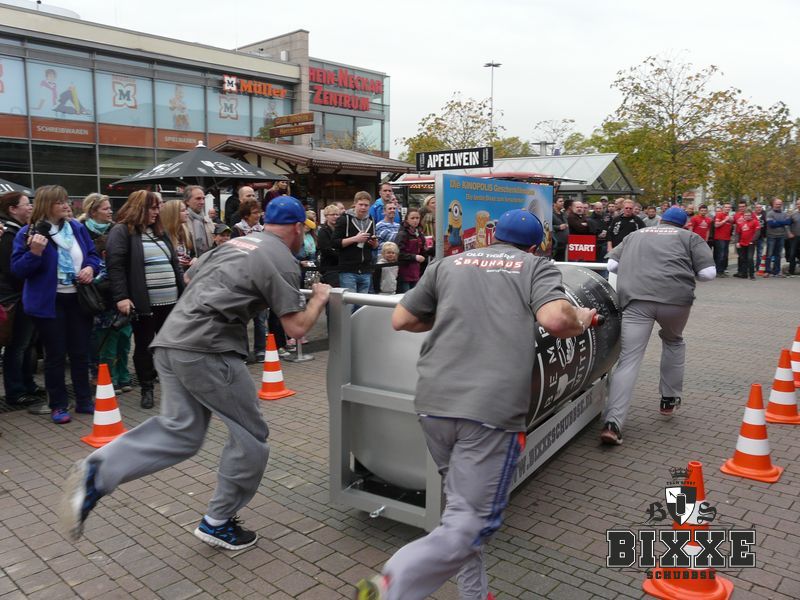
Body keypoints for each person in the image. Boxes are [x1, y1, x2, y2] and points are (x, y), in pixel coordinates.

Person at [59, 196, 331, 552]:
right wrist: (319, 299)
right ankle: (218, 521)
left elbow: (189, 276)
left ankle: (98, 471)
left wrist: (241, 292)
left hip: (171, 340)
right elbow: (296, 328)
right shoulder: (281, 258)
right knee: (251, 436)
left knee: (181, 431)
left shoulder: (234, 243)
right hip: (209, 348)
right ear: (297, 228)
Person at [356, 209, 595, 600]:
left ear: (492, 234)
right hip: (489, 411)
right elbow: (556, 319)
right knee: (471, 521)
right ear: (535, 246)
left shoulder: (448, 264)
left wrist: (455, 317)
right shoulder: (535, 266)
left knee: (460, 510)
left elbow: (401, 319)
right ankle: (394, 584)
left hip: (434, 403)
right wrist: (581, 318)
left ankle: (474, 593)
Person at [600, 208, 715, 445]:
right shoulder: (690, 237)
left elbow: (611, 265)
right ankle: (669, 399)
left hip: (636, 300)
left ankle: (613, 423)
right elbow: (708, 274)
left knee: (629, 359)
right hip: (675, 301)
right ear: (684, 224)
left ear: (661, 220)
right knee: (673, 341)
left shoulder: (635, 235)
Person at [11, 185, 101, 424]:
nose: (66, 205)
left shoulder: (76, 228)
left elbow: (93, 255)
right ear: (46, 205)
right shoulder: (29, 232)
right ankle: (58, 405)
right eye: (59, 202)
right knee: (55, 355)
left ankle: (84, 400)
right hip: (49, 302)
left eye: (66, 200)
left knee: (80, 353)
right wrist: (34, 252)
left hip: (78, 298)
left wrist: (90, 268)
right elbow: (18, 270)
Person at [106, 190, 184, 409]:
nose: (157, 212)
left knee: (170, 346)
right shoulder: (122, 231)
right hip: (144, 303)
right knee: (144, 345)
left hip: (171, 301)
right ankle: (147, 388)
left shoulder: (160, 231)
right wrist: (122, 297)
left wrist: (183, 290)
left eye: (158, 207)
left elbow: (174, 263)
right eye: (153, 207)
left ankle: (172, 386)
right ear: (140, 208)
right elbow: (115, 266)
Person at [0, 191, 41, 408]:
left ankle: (27, 385)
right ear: (12, 209)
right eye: (26, 204)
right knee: (17, 346)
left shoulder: (19, 231)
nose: (30, 207)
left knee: (26, 344)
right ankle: (16, 391)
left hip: (21, 296)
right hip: (15, 298)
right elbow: (12, 270)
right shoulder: (9, 234)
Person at [332, 191, 377, 294]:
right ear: (355, 204)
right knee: (350, 301)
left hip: (365, 269)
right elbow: (334, 243)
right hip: (348, 270)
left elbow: (374, 245)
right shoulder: (344, 219)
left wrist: (374, 244)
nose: (363, 208)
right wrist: (355, 239)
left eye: (366, 205)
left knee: (362, 302)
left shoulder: (371, 220)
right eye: (361, 204)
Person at [395, 208, 427, 293]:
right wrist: (414, 257)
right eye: (412, 218)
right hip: (404, 272)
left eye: (417, 218)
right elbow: (398, 253)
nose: (415, 220)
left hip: (416, 272)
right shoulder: (402, 234)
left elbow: (422, 251)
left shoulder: (419, 233)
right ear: (406, 219)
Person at [160, 199, 195, 273]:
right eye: (183, 210)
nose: (187, 213)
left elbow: (192, 254)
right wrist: (175, 261)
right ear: (173, 214)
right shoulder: (162, 236)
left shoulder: (187, 233)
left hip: (186, 274)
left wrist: (194, 259)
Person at [184, 185, 213, 256]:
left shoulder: (208, 220)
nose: (202, 202)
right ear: (187, 201)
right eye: (198, 198)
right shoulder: (183, 222)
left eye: (203, 198)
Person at [765, 198, 792, 277]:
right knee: (769, 255)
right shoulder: (769, 213)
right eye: (777, 204)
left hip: (781, 236)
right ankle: (768, 271)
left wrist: (777, 222)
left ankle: (777, 271)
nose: (778, 205)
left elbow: (788, 222)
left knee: (778, 255)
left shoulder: (784, 213)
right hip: (771, 236)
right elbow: (771, 224)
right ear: (773, 204)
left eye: (780, 204)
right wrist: (783, 223)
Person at [317, 204, 341, 287]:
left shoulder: (340, 230)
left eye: (337, 214)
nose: (335, 217)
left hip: (341, 267)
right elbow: (326, 250)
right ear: (326, 216)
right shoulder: (323, 231)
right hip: (329, 268)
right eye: (332, 214)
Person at [734, 210, 758, 279]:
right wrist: (737, 242)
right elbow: (738, 234)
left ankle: (751, 274)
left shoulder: (755, 222)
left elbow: (757, 232)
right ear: (743, 216)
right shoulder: (741, 223)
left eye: (748, 215)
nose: (747, 216)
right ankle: (744, 274)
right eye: (746, 215)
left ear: (751, 216)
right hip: (742, 243)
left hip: (751, 244)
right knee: (743, 259)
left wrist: (752, 240)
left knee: (750, 258)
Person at [712, 203, 734, 276]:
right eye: (726, 207)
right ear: (723, 208)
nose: (727, 208)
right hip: (719, 238)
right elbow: (716, 225)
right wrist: (725, 220)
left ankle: (722, 271)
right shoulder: (719, 215)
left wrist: (731, 220)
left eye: (729, 207)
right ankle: (718, 271)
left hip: (727, 238)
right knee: (720, 255)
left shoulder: (729, 217)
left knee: (725, 256)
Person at [551, 196, 568, 261]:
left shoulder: (563, 214)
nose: (562, 203)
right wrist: (558, 227)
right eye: (560, 201)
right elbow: (546, 225)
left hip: (563, 243)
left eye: (563, 201)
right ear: (554, 204)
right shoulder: (550, 213)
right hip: (555, 244)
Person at [788, 199, 800, 275]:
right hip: (795, 237)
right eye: (798, 204)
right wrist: (789, 233)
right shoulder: (793, 215)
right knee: (792, 254)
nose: (799, 205)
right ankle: (791, 271)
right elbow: (788, 225)